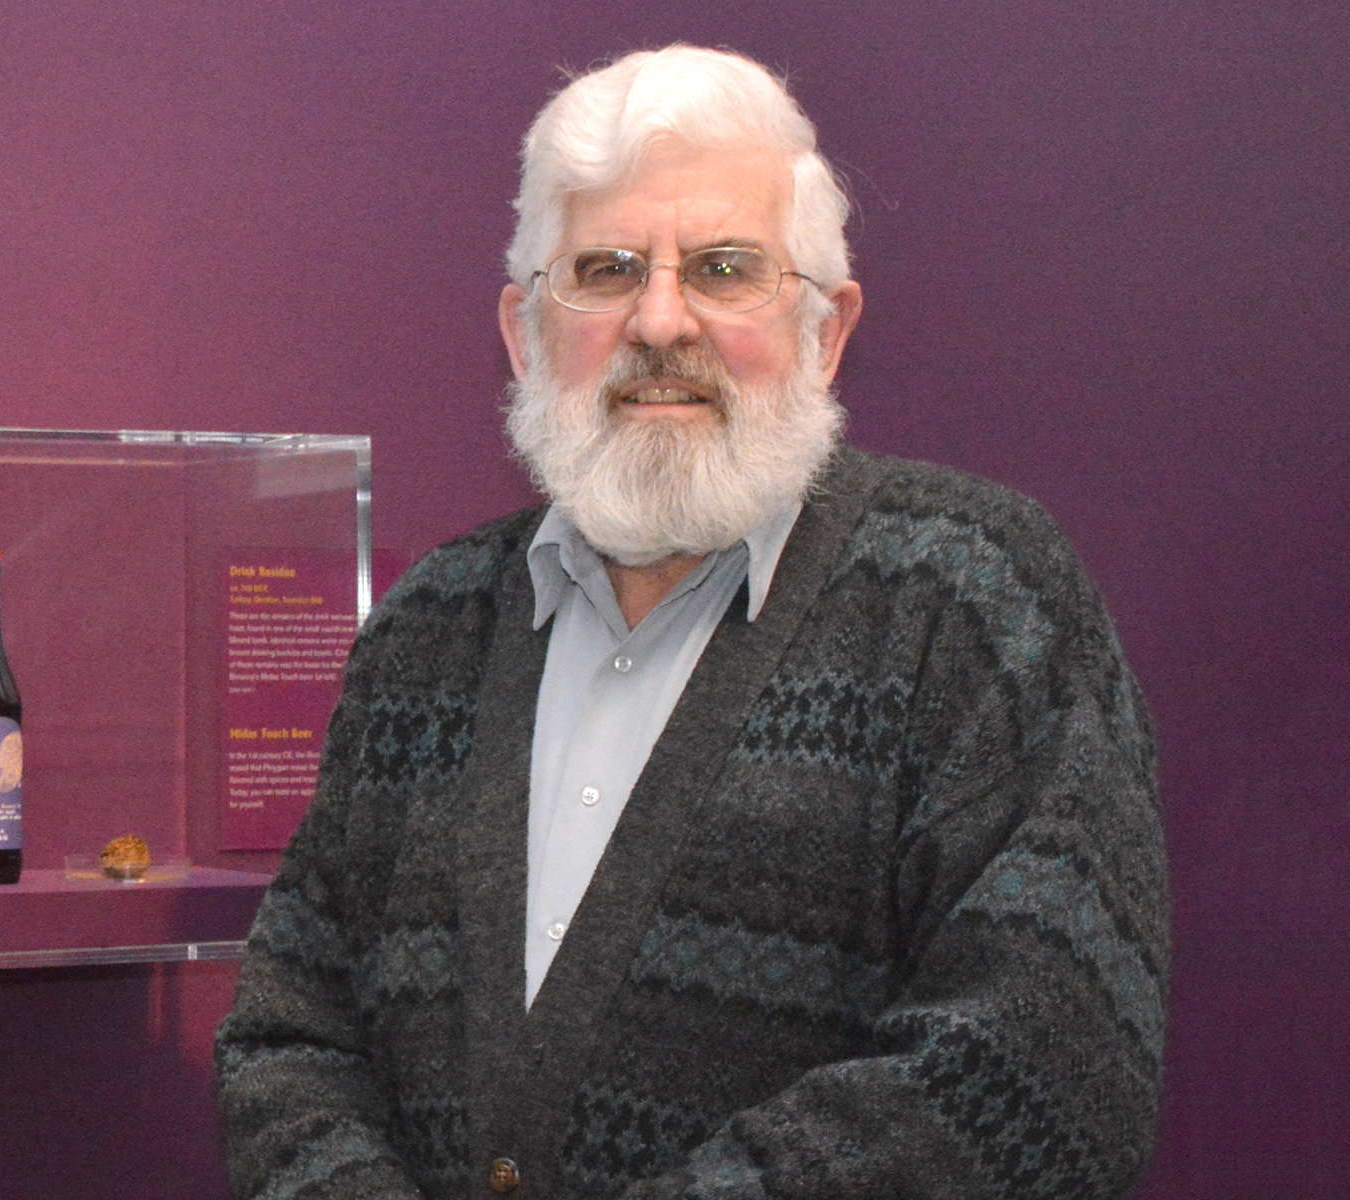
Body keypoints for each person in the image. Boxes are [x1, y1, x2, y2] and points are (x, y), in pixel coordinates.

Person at [215, 44, 1169, 1200]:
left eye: (723, 269)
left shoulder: (976, 600)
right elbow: (289, 1035)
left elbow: (1042, 1075)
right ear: (524, 331)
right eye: (608, 268)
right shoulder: (429, 628)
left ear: (827, 329)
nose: (661, 320)